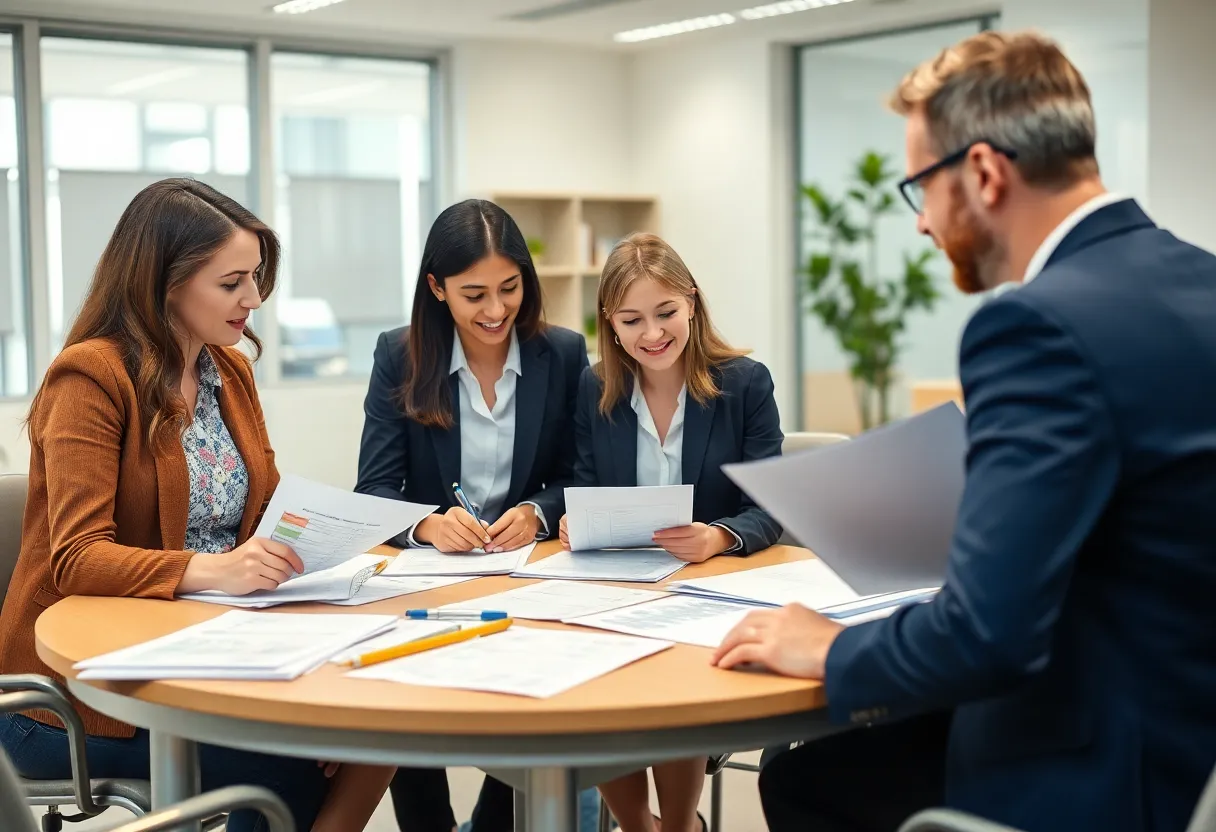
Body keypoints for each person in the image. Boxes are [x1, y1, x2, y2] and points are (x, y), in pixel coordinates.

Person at [712, 30, 1216, 832]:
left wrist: (829, 648)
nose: (920, 226)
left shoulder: (1035, 325)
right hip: (1182, 733)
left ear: (982, 173)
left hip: (1087, 767)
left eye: (920, 189)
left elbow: (989, 635)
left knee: (809, 780)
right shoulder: (1198, 278)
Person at [0, 178, 380, 832]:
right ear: (167, 283)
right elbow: (78, 560)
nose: (254, 300)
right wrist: (214, 570)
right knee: (295, 759)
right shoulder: (89, 378)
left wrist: (316, 538)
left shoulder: (227, 371)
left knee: (371, 729)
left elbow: (259, 506)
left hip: (212, 644)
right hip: (76, 698)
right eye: (232, 283)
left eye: (257, 279)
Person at [355, 198, 590, 832]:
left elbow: (582, 473)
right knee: (404, 684)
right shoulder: (400, 356)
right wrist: (426, 523)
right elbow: (375, 487)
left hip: (533, 572)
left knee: (533, 688)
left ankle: (491, 821)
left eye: (510, 289)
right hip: (431, 578)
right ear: (437, 288)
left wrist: (538, 512)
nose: (495, 311)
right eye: (473, 294)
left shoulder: (563, 355)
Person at [560, 232, 783, 832]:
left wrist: (720, 535)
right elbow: (584, 482)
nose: (652, 334)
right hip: (619, 586)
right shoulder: (594, 386)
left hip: (710, 590)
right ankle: (640, 825)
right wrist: (573, 520)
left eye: (666, 313)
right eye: (632, 320)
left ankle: (680, 824)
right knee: (590, 670)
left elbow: (770, 506)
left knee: (671, 676)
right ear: (609, 321)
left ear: (691, 302)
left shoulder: (744, 384)